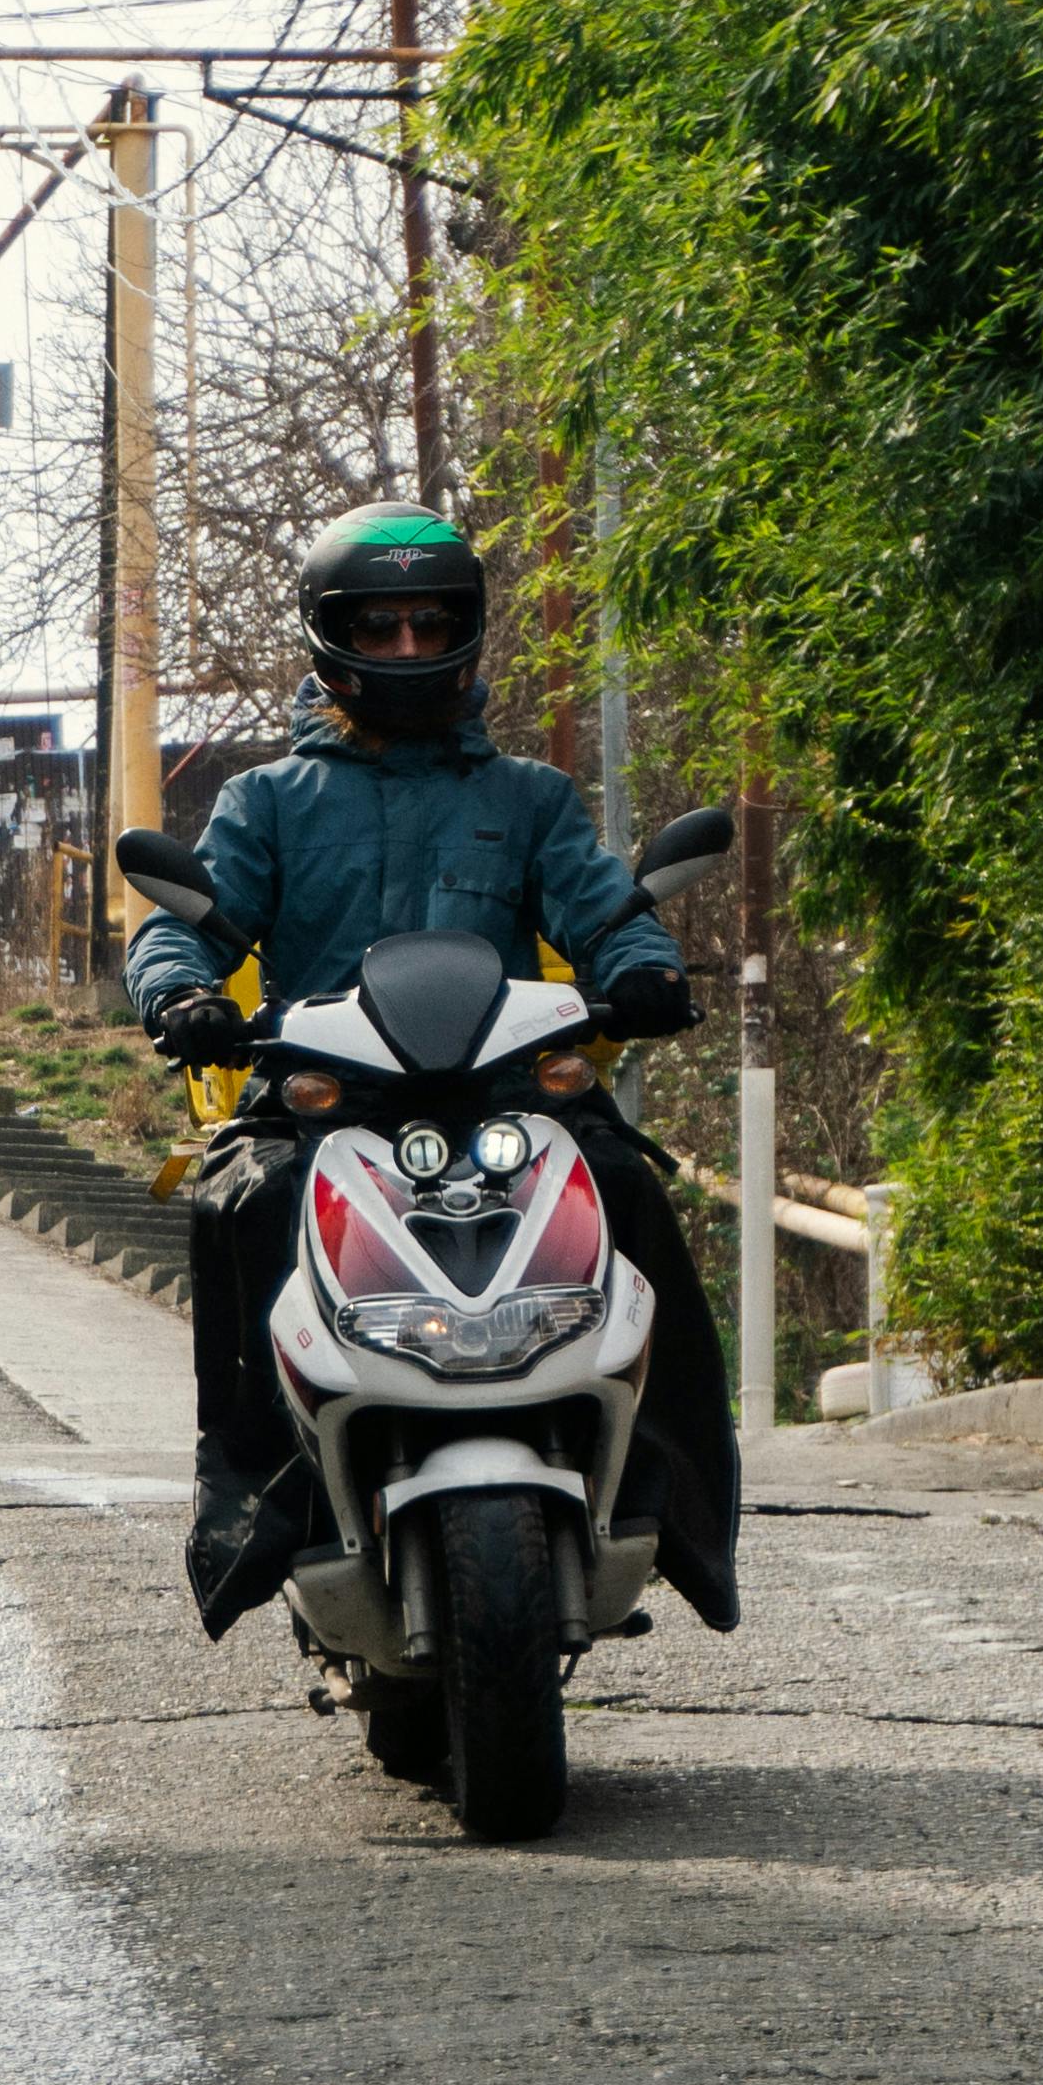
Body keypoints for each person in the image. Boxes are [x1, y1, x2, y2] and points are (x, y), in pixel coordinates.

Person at [121, 504, 741, 1641]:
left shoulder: (528, 797)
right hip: (324, 1104)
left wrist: (644, 967)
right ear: (328, 635)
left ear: (466, 630)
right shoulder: (267, 801)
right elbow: (186, 926)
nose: (407, 648)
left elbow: (607, 913)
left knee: (632, 1189)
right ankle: (257, 1492)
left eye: (429, 624)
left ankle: (674, 1502)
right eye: (381, 626)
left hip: (507, 1093)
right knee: (237, 1201)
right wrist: (181, 992)